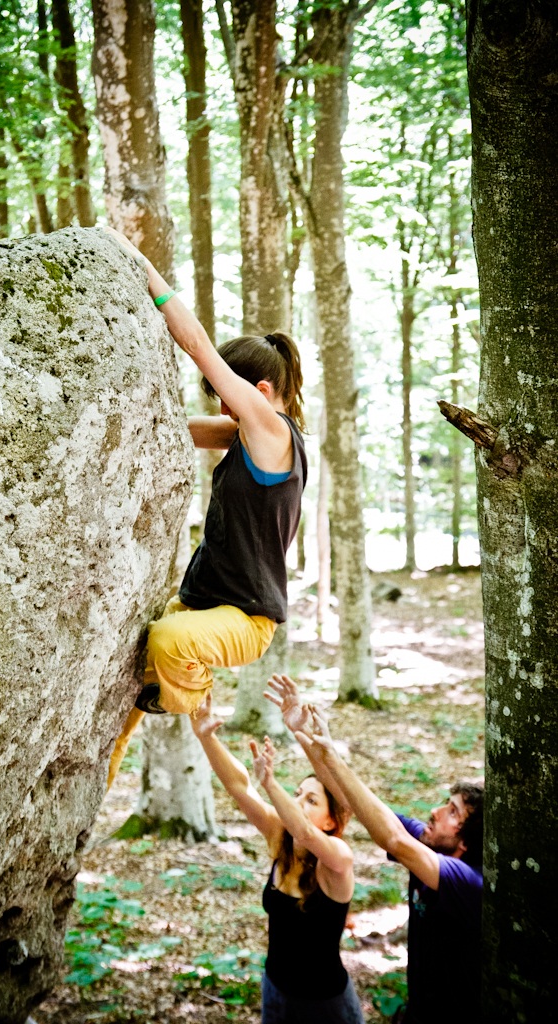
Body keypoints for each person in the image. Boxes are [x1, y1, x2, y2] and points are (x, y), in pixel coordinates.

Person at [105, 227, 307, 785]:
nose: (222, 405)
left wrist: (147, 272)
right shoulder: (247, 434)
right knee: (136, 679)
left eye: (227, 394)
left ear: (261, 392)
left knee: (169, 641)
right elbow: (183, 427)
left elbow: (197, 344)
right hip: (202, 604)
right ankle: (110, 763)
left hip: (245, 619)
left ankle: (189, 697)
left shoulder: (270, 429)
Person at [265, 675, 483, 1024]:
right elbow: (354, 802)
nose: (436, 812)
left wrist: (330, 756)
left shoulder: (465, 881)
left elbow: (393, 840)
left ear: (466, 842)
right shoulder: (429, 843)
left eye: (452, 812)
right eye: (446, 803)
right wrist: (305, 737)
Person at [191, 693, 365, 1024]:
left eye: (311, 800)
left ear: (331, 821)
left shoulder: (337, 859)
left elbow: (308, 835)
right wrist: (206, 736)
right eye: (297, 793)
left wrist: (271, 784)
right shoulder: (279, 835)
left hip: (325, 1005)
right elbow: (239, 787)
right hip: (276, 991)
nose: (298, 801)